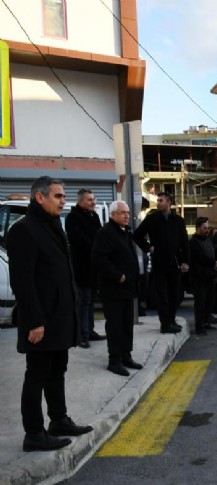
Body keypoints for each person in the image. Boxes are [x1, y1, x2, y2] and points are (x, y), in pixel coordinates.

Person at [7, 176, 93, 452]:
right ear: (40, 197)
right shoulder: (25, 230)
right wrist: (33, 322)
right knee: (37, 375)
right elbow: (22, 281)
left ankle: (59, 420)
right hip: (41, 320)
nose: (63, 201)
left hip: (60, 318)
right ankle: (34, 433)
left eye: (63, 196)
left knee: (57, 371)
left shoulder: (53, 225)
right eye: (57, 196)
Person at [92, 201, 142, 377]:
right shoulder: (105, 233)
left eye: (128, 213)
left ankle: (126, 356)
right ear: (113, 215)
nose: (127, 216)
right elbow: (99, 259)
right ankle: (114, 361)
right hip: (113, 289)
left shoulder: (125, 232)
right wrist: (117, 275)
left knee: (127, 324)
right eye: (123, 213)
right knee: (114, 326)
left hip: (127, 288)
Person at [132, 192, 189, 334]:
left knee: (175, 294)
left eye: (161, 200)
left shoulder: (178, 221)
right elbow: (136, 235)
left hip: (174, 262)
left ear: (169, 203)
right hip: (159, 262)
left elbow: (184, 242)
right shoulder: (152, 219)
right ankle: (165, 324)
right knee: (162, 295)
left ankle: (171, 319)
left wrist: (185, 261)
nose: (158, 203)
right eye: (158, 200)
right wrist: (149, 248)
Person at [64, 188, 106, 348]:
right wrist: (96, 247)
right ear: (80, 201)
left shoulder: (94, 216)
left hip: (93, 267)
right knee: (83, 301)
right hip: (81, 267)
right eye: (90, 200)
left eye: (94, 199)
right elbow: (78, 240)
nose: (93, 202)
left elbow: (100, 236)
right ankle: (82, 335)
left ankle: (89, 331)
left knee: (90, 301)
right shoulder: (72, 217)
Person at [190, 217, 217, 335]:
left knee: (209, 301)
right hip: (199, 278)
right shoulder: (194, 242)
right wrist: (213, 263)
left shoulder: (208, 240)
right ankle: (199, 326)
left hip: (210, 276)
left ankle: (206, 322)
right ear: (198, 228)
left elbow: (215, 251)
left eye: (207, 228)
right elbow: (200, 257)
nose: (207, 230)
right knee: (200, 303)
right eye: (204, 228)